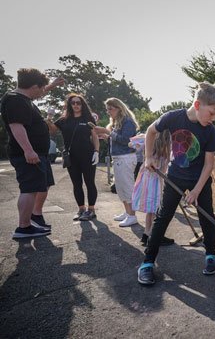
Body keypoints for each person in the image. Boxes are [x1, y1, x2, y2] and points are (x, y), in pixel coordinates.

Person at [137, 81, 215, 285]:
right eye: (212, 113)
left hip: (200, 179)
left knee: (208, 217)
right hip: (176, 176)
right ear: (197, 105)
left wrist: (196, 190)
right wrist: (148, 157)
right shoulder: (173, 117)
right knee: (163, 217)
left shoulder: (209, 130)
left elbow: (209, 164)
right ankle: (147, 262)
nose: (213, 119)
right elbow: (151, 131)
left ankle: (211, 255)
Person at [0, 68, 64, 238]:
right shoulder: (16, 101)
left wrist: (52, 85)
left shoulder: (22, 98)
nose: (43, 92)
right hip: (27, 155)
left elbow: (39, 93)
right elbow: (16, 126)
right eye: (42, 88)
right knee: (29, 189)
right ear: (34, 86)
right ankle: (24, 227)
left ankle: (32, 218)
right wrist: (28, 150)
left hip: (38, 154)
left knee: (39, 186)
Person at [46, 93, 100, 221]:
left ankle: (91, 210)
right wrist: (49, 117)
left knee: (90, 182)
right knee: (76, 184)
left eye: (78, 103)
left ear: (82, 105)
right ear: (69, 105)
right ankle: (81, 209)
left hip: (87, 155)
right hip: (71, 157)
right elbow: (52, 130)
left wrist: (96, 151)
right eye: (73, 103)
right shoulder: (64, 119)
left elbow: (95, 135)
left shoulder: (88, 118)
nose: (76, 105)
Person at [93, 98, 139, 227]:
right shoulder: (118, 121)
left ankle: (132, 215)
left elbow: (126, 140)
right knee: (120, 187)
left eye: (110, 109)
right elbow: (119, 140)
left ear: (119, 108)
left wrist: (108, 132)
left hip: (125, 157)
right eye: (107, 109)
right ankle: (127, 212)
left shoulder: (127, 121)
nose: (108, 111)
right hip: (120, 157)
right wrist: (108, 137)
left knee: (127, 187)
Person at [130, 132, 174, 246]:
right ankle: (155, 236)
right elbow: (165, 168)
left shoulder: (149, 139)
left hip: (146, 179)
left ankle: (146, 235)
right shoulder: (168, 147)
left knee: (151, 209)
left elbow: (131, 143)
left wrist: (144, 140)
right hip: (156, 180)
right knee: (156, 209)